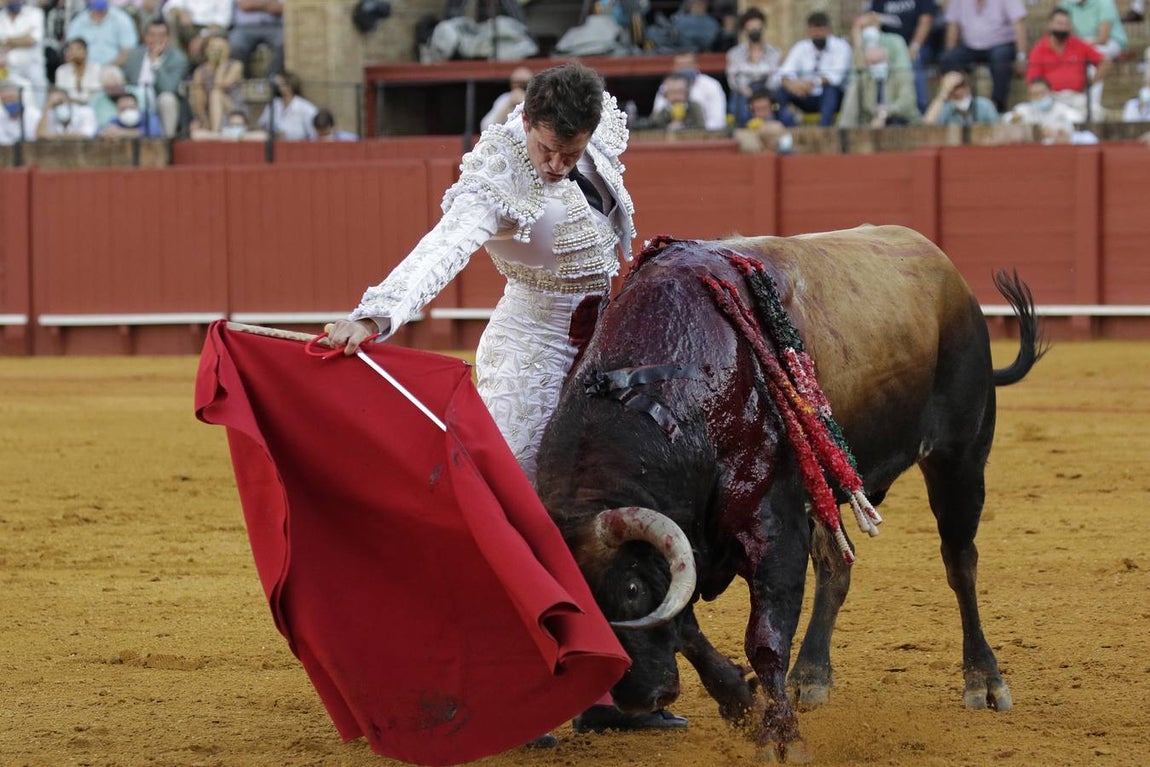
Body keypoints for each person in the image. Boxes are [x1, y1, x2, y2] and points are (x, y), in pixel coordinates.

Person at [323, 63, 689, 741]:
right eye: (548, 149)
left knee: (603, 517)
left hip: (600, 359)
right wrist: (376, 316)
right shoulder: (496, 177)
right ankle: (509, 691)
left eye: (570, 154)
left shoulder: (593, 135)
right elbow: (443, 249)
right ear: (526, 124)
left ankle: (610, 690)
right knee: (512, 519)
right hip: (532, 358)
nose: (555, 165)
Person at [939, 0, 1027, 113]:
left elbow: (1019, 24)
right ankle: (958, 105)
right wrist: (949, 51)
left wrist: (1021, 57)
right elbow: (953, 26)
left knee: (1000, 58)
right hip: (970, 46)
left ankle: (997, 107)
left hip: (1000, 44)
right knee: (947, 59)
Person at [1026, 8, 1107, 122]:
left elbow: (1105, 61)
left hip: (1077, 97)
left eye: (1066, 24)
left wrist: (1091, 82)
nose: (1063, 27)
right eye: (1059, 23)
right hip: (1052, 98)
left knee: (1097, 113)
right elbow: (1034, 82)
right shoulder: (1039, 50)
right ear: (1050, 25)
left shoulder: (1078, 44)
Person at [775, 11, 852, 127]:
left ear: (828, 30)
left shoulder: (841, 46)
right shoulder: (801, 47)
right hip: (805, 95)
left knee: (830, 89)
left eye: (820, 31)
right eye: (814, 31)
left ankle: (823, 130)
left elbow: (836, 78)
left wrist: (813, 83)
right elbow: (784, 72)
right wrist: (793, 85)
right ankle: (789, 128)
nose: (817, 35)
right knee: (781, 91)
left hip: (832, 98)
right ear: (808, 31)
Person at [865, 0, 939, 112]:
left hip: (917, 45)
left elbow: (926, 21)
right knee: (875, 65)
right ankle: (881, 111)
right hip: (887, 47)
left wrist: (914, 46)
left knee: (914, 64)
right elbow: (871, 21)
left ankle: (919, 109)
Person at [122, 19, 189, 137]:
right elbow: (126, 78)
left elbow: (168, 87)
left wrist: (155, 63)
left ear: (168, 38)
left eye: (161, 36)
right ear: (145, 37)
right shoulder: (136, 54)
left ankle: (167, 142)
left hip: (157, 100)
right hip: (134, 97)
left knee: (167, 99)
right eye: (152, 35)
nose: (156, 40)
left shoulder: (178, 58)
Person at [837, 43, 921, 128]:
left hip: (904, 123)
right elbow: (849, 111)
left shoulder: (902, 75)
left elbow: (907, 102)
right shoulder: (863, 80)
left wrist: (885, 113)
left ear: (887, 60)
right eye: (871, 63)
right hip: (872, 127)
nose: (875, 66)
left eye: (878, 61)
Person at [725, 8, 782, 127]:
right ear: (744, 30)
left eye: (758, 27)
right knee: (740, 107)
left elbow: (775, 76)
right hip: (744, 91)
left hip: (767, 90)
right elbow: (733, 79)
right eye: (751, 27)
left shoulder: (774, 52)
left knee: (781, 108)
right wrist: (745, 89)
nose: (755, 30)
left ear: (763, 28)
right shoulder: (734, 53)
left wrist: (764, 93)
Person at [650, 51, 728, 130]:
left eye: (687, 65)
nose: (684, 69)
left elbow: (717, 120)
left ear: (696, 65)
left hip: (703, 135)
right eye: (681, 65)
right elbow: (656, 119)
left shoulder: (711, 85)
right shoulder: (665, 86)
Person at [1005, 76, 1095, 143]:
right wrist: (1014, 119)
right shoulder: (1024, 109)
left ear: (1050, 92)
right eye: (1034, 94)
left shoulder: (1061, 109)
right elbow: (1007, 119)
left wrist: (1057, 132)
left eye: (1041, 93)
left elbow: (1077, 121)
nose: (1038, 97)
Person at [188, 32, 242, 133]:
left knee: (215, 93)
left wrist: (222, 64)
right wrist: (203, 119)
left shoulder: (236, 66)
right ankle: (211, 129)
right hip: (210, 114)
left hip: (233, 111)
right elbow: (198, 98)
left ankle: (215, 132)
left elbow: (221, 85)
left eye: (220, 48)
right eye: (213, 47)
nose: (216, 51)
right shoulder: (200, 71)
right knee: (195, 130)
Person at [66, 0, 139, 68]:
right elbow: (71, 52)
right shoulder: (78, 22)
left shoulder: (122, 19)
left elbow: (128, 51)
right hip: (84, 71)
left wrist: (107, 69)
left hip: (114, 70)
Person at [0, 0, 47, 103]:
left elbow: (32, 40)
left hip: (33, 67)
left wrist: (6, 41)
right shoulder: (1, 16)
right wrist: (22, 38)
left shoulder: (35, 13)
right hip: (8, 68)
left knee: (37, 102)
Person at [257, 69, 319, 140]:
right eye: (278, 85)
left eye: (283, 85)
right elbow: (262, 124)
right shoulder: (274, 104)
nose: (280, 88)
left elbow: (314, 134)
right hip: (275, 144)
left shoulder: (305, 107)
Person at [923, 69, 999, 124]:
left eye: (960, 85)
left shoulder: (983, 105)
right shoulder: (946, 108)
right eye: (953, 87)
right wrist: (943, 92)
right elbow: (928, 124)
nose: (957, 91)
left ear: (967, 87)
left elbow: (996, 129)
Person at [228, 0, 283, 77]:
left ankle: (273, 82)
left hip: (274, 27)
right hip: (245, 28)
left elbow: (281, 8)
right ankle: (240, 82)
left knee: (284, 42)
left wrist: (256, 4)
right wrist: (269, 3)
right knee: (236, 44)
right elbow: (245, 5)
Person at [1061, 0, 1125, 61]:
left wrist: (1079, 44)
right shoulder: (1066, 3)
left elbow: (1103, 39)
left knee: (1092, 56)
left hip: (1109, 42)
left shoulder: (1104, 2)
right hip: (1081, 42)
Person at [641, 72, 707, 130]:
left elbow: (702, 129)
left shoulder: (695, 108)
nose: (676, 97)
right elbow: (653, 129)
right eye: (672, 93)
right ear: (666, 95)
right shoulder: (662, 112)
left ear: (687, 93)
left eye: (680, 92)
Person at [480, 65, 532, 130]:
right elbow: (486, 127)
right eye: (517, 83)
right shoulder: (505, 99)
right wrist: (508, 104)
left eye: (524, 83)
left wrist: (525, 102)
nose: (520, 87)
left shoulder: (536, 99)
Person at [54, 38, 102, 105]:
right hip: (69, 108)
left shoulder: (96, 69)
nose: (73, 52)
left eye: (77, 49)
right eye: (70, 49)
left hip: (92, 108)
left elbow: (96, 94)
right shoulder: (61, 70)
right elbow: (61, 94)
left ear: (86, 52)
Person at [0, 79, 38, 143]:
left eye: (11, 97)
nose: (9, 102)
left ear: (20, 97)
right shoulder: (1, 115)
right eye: (5, 99)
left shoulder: (34, 115)